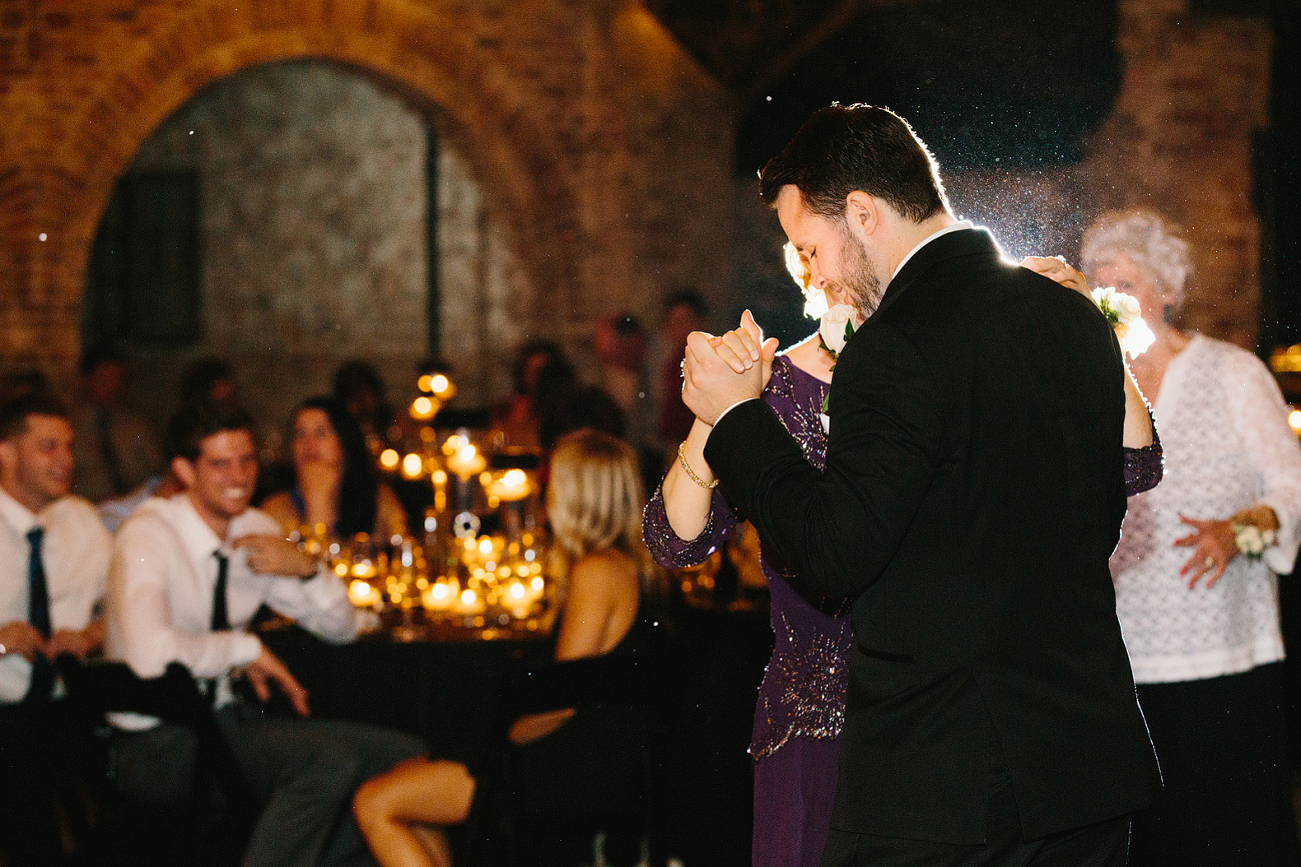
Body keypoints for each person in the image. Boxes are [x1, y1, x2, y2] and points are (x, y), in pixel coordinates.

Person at [679, 103, 1161, 866]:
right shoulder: (1072, 320)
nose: (818, 275)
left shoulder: (895, 345)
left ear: (863, 214)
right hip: (1082, 766)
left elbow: (834, 556)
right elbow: (1089, 521)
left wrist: (737, 419)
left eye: (813, 246)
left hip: (946, 790)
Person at [104, 400, 426, 867]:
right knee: (327, 764)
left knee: (405, 758)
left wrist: (308, 571)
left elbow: (343, 629)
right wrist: (244, 648)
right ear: (185, 471)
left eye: (247, 460)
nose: (238, 476)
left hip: (224, 725)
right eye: (219, 464)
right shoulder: (146, 536)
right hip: (155, 744)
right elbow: (149, 658)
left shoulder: (255, 529)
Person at [1081, 209, 1301, 866]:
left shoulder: (1231, 373)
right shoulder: (1083, 384)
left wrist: (1238, 530)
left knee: (1223, 840)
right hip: (1114, 667)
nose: (1109, 297)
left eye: (1126, 283)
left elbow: (1290, 488)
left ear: (1168, 291)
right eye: (1098, 282)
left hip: (1220, 663)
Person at [353, 429, 658, 867]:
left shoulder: (597, 570)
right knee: (409, 788)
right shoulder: (626, 565)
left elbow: (560, 700)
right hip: (593, 760)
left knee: (375, 802)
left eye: (551, 484)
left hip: (570, 771)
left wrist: (498, 740)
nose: (542, 495)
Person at [0, 390, 112, 867]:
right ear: (5, 453)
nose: (66, 460)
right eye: (48, 447)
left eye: (69, 447)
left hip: (73, 707)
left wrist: (89, 636)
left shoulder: (82, 521)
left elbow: (130, 608)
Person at [261, 396, 408, 542]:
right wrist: (317, 503)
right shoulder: (275, 509)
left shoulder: (379, 499)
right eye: (300, 434)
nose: (309, 443)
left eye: (321, 432)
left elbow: (403, 551)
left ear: (344, 441)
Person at [70, 345, 164, 503]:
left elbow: (157, 471)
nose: (111, 386)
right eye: (103, 379)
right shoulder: (71, 428)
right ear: (85, 380)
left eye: (116, 379)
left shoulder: (135, 426)